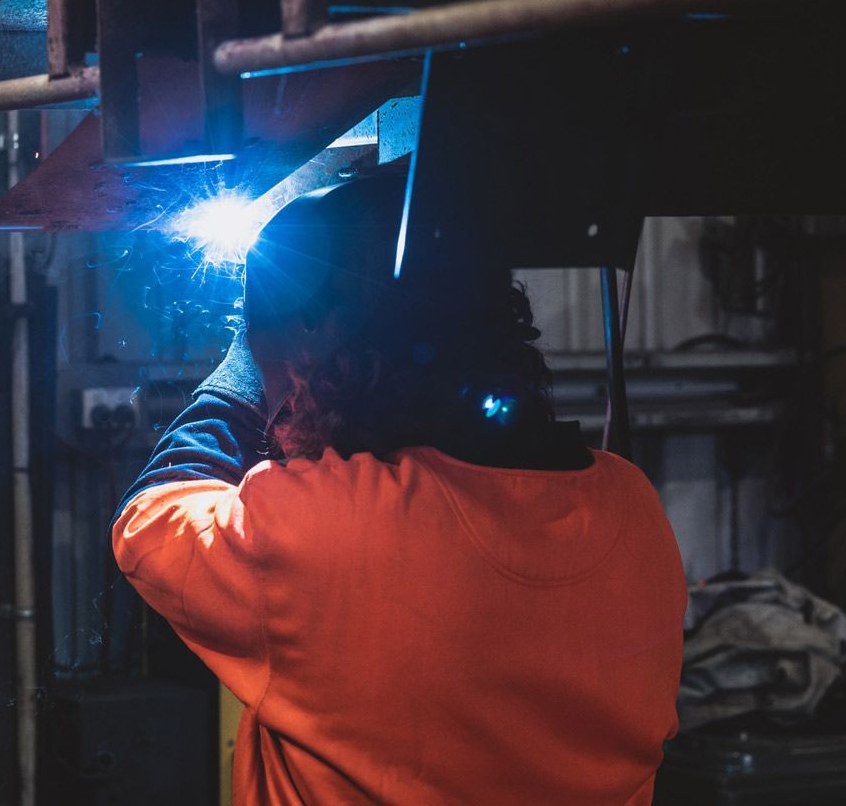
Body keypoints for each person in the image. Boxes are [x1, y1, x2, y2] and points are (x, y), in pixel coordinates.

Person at [111, 168, 686, 805]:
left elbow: (151, 521)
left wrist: (248, 364)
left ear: (324, 346)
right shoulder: (633, 509)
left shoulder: (321, 529)